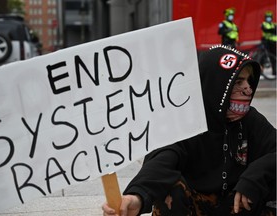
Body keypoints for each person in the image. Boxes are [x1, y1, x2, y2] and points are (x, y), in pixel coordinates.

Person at [102, 45, 276, 216]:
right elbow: (162, 160)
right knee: (169, 187)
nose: (248, 89)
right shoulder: (187, 121)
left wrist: (254, 177)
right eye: (238, 82)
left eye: (249, 81)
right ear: (216, 85)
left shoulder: (251, 120)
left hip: (236, 205)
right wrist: (137, 196)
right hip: (195, 206)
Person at [261, 11, 276, 76]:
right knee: (264, 58)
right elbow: (266, 29)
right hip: (266, 42)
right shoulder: (264, 24)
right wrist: (272, 29)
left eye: (270, 17)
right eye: (267, 17)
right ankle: (261, 71)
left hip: (273, 43)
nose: (268, 18)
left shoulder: (274, 24)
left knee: (273, 57)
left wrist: (272, 29)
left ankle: (274, 71)